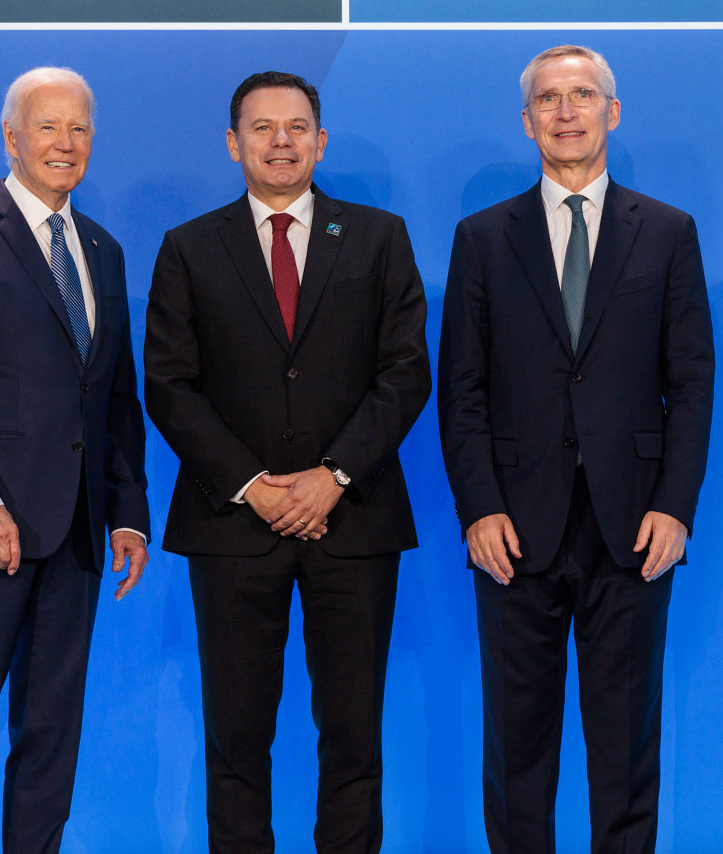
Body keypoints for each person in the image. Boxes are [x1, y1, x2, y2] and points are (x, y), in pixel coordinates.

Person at [437, 45, 714, 854]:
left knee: (625, 747)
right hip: (515, 527)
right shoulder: (483, 237)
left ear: (612, 112)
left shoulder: (667, 232)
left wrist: (675, 506)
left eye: (583, 95)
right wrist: (479, 507)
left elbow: (691, 382)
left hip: (634, 527)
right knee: (517, 747)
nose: (566, 112)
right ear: (527, 123)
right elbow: (463, 388)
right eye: (549, 100)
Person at [144, 71, 430, 853]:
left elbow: (405, 374)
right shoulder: (189, 248)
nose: (281, 141)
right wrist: (251, 487)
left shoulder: (378, 236)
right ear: (234, 143)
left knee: (353, 737)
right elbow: (169, 386)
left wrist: (333, 476)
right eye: (262, 128)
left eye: (297, 126)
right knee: (236, 740)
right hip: (232, 528)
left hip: (354, 520)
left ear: (320, 140)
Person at [0, 66, 150, 853]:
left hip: (76, 533)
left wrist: (130, 513)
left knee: (51, 739)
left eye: (78, 129)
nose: (64, 143)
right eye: (48, 127)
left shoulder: (102, 251)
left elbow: (114, 397)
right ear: (11, 137)